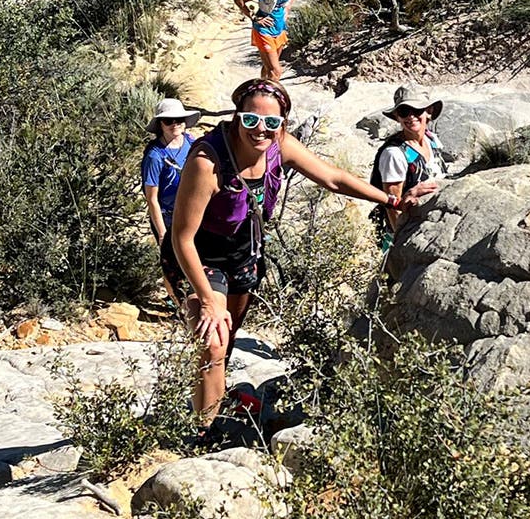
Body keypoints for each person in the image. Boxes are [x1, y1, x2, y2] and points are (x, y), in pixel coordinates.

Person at [171, 78, 437, 437]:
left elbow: (334, 179)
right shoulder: (209, 160)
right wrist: (206, 299)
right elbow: (181, 237)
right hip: (200, 255)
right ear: (237, 117)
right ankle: (201, 433)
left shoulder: (280, 145)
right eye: (250, 120)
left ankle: (214, 411)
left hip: (244, 253)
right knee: (213, 339)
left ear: (283, 124)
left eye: (272, 122)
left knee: (227, 341)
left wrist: (391, 200)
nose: (260, 130)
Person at [369, 85, 447, 251]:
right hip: (403, 236)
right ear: (397, 116)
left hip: (428, 225)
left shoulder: (431, 140)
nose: (411, 116)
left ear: (429, 111)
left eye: (417, 110)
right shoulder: (394, 154)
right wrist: (402, 245)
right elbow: (392, 206)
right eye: (404, 111)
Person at [141, 98, 202, 296]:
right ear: (161, 125)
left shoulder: (192, 143)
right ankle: (175, 301)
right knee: (172, 262)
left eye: (179, 119)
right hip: (168, 216)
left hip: (193, 212)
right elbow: (152, 198)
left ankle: (194, 296)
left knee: (197, 256)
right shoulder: (154, 156)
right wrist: (161, 232)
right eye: (169, 121)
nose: (175, 124)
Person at [234, 0, 304, 83]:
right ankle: (271, 100)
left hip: (279, 28)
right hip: (264, 30)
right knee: (276, 71)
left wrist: (287, 8)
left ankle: (259, 91)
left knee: (268, 68)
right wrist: (254, 17)